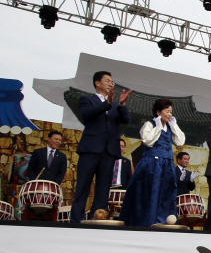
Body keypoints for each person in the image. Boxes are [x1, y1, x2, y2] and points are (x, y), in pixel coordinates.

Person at [71, 71, 131, 224]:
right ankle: (76, 221)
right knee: (83, 186)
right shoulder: (87, 100)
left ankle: (97, 219)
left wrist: (122, 104)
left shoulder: (116, 105)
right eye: (107, 80)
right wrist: (107, 104)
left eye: (112, 81)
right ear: (97, 83)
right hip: (90, 149)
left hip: (109, 151)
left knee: (103, 189)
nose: (111, 83)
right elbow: (87, 113)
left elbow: (126, 119)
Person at [119, 98, 185, 227]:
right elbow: (148, 141)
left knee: (166, 193)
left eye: (171, 112)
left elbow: (180, 142)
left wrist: (174, 125)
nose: (169, 114)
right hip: (152, 164)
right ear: (158, 112)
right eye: (167, 111)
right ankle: (146, 222)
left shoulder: (170, 127)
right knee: (149, 192)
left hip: (167, 165)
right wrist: (158, 127)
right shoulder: (150, 124)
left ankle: (162, 221)